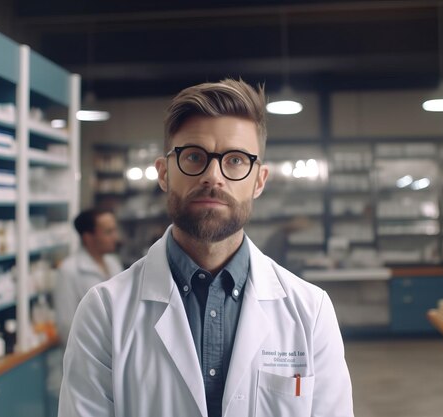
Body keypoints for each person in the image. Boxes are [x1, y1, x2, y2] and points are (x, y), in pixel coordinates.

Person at [59, 79, 354, 417]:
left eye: (236, 160)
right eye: (195, 156)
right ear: (164, 172)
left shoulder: (310, 311)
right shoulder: (104, 311)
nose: (213, 176)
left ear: (259, 181)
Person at [54, 208, 123, 343]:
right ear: (88, 238)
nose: (116, 237)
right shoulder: (69, 270)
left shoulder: (114, 263)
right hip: (90, 356)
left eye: (115, 230)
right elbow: (66, 325)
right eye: (109, 232)